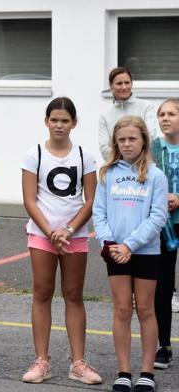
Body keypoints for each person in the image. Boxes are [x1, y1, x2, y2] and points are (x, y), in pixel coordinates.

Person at [20, 97, 101, 385]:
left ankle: (78, 362)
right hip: (42, 235)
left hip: (74, 235)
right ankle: (42, 361)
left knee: (73, 295)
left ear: (74, 123)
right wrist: (50, 231)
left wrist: (68, 229)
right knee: (42, 293)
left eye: (65, 120)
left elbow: (90, 200)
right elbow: (30, 199)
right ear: (46, 121)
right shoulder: (35, 154)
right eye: (54, 119)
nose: (59, 125)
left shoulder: (84, 156)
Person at [93, 116, 167, 392]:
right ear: (115, 142)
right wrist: (110, 243)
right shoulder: (107, 174)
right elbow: (98, 213)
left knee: (146, 309)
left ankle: (147, 372)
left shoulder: (156, 176)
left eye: (132, 138)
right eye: (121, 139)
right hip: (115, 251)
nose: (126, 144)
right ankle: (123, 370)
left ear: (144, 141)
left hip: (145, 250)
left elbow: (157, 216)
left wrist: (130, 245)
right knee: (122, 309)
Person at [150, 98, 179, 370]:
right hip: (163, 226)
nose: (165, 118)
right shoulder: (153, 149)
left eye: (171, 113)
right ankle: (164, 345)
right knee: (163, 285)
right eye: (162, 114)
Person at [99, 67, 158, 160]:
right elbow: (104, 148)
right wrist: (124, 161)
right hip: (117, 168)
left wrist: (136, 160)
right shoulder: (105, 115)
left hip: (143, 166)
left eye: (127, 83)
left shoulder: (146, 107)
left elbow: (150, 137)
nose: (124, 87)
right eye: (119, 83)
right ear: (111, 86)